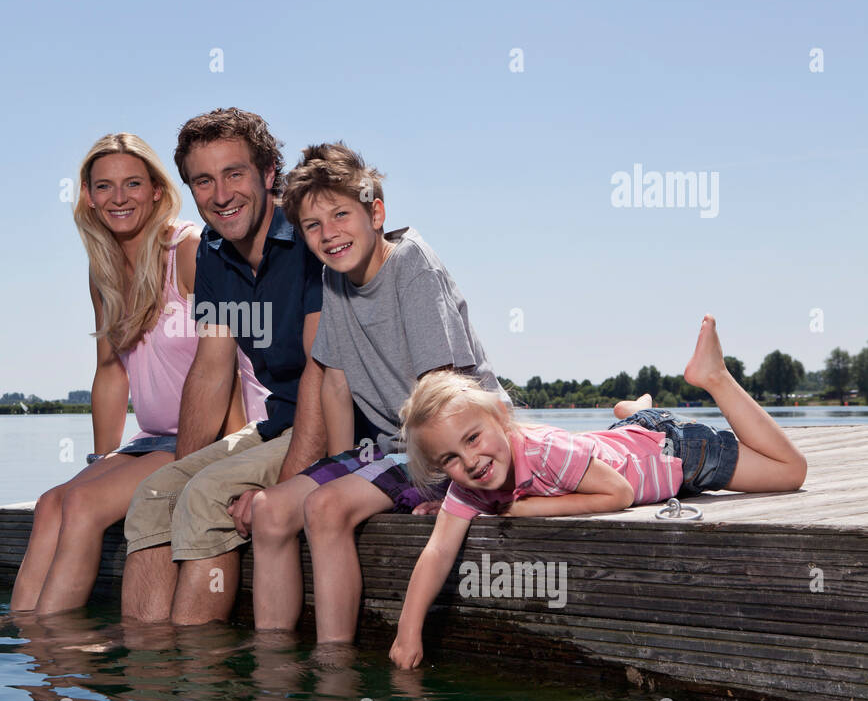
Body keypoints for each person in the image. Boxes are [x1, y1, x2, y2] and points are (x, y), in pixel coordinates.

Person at [388, 314, 809, 668]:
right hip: (623, 443)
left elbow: (620, 494)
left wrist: (523, 509)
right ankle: (635, 412)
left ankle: (713, 377)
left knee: (789, 470)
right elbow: (437, 552)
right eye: (449, 460)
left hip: (675, 455)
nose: (469, 461)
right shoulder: (470, 483)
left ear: (501, 417)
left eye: (473, 438)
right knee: (630, 429)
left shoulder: (546, 450)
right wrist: (408, 633)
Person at [243, 143, 504, 643]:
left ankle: (333, 666)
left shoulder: (413, 266)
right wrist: (340, 467)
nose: (329, 234)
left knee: (325, 509)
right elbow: (337, 384)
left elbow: (443, 397)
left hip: (444, 446)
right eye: (313, 226)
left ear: (375, 212)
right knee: (270, 509)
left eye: (341, 214)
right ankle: (272, 662)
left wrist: (449, 485)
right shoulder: (333, 279)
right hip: (383, 451)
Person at [10, 132, 266, 616]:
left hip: (207, 434)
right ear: (87, 196)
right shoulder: (103, 270)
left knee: (83, 507)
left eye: (132, 183)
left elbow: (227, 365)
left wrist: (230, 466)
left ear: (155, 189)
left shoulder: (190, 250)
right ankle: (20, 629)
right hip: (152, 438)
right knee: (51, 504)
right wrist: (101, 458)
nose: (119, 197)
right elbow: (110, 370)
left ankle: (55, 646)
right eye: (104, 186)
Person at [119, 108, 327, 626]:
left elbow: (330, 383)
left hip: (347, 427)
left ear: (269, 174)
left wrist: (283, 490)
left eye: (235, 174)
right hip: (278, 422)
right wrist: (184, 470)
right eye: (203, 181)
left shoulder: (312, 239)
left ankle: (198, 687)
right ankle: (150, 674)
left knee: (207, 496)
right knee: (158, 492)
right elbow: (212, 370)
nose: (220, 194)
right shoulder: (212, 252)